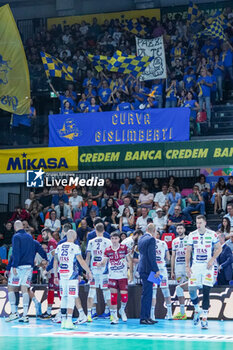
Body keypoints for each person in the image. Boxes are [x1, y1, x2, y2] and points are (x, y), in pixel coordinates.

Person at [6, 221, 47, 323]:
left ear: (15, 227)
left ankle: (14, 313)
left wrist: (13, 266)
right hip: (28, 267)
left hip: (19, 266)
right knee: (25, 288)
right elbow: (41, 250)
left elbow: (15, 252)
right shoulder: (31, 238)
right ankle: (25, 315)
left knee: (11, 287)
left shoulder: (16, 237)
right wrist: (46, 259)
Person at [185, 215, 222, 329]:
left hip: (207, 267)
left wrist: (212, 260)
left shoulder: (212, 234)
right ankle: (197, 309)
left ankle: (205, 318)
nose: (198, 225)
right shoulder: (192, 235)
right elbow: (188, 250)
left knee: (206, 291)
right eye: (197, 222)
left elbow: (219, 248)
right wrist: (187, 266)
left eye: (200, 222)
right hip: (195, 266)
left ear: (205, 223)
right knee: (191, 290)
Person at [53, 229, 92, 329]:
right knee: (71, 297)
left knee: (64, 297)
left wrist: (55, 275)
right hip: (72, 276)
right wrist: (88, 271)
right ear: (74, 237)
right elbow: (81, 261)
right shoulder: (75, 247)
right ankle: (69, 321)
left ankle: (63, 320)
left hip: (62, 275)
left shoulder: (59, 246)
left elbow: (55, 262)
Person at [101, 231, 130, 324]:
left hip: (123, 275)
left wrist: (130, 272)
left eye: (116, 238)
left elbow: (129, 260)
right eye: (112, 239)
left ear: (119, 239)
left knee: (124, 296)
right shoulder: (107, 250)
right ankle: (114, 317)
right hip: (112, 276)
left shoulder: (124, 248)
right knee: (113, 296)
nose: (114, 240)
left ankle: (122, 310)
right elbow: (104, 261)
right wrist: (99, 264)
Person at [85, 223, 111, 322]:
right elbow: (109, 256)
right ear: (104, 231)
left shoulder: (91, 242)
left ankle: (89, 313)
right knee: (106, 291)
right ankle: (110, 312)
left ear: (95, 231)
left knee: (92, 291)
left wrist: (87, 271)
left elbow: (88, 257)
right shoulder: (108, 241)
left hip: (94, 270)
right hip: (105, 270)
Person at [138, 223, 159, 325]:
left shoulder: (141, 238)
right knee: (148, 294)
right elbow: (152, 256)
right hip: (148, 270)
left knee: (147, 293)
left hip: (143, 268)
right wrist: (156, 269)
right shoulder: (151, 239)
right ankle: (144, 317)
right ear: (154, 231)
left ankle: (147, 316)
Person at [151, 231, 172, 321]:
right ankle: (170, 313)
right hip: (162, 269)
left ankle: (152, 314)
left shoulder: (149, 243)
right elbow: (168, 258)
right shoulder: (163, 243)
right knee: (166, 291)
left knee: (154, 292)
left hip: (154, 270)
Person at [171, 224, 188, 320]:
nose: (179, 230)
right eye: (178, 228)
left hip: (186, 268)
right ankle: (182, 312)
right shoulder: (174, 241)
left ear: (184, 229)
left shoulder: (188, 239)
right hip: (178, 268)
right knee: (179, 289)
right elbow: (173, 256)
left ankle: (196, 309)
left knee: (189, 289)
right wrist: (172, 271)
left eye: (181, 228)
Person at [39, 228, 58, 319]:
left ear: (48, 233)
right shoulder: (50, 243)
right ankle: (49, 312)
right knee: (51, 290)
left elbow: (56, 258)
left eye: (44, 234)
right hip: (52, 271)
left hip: (55, 271)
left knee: (58, 290)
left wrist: (48, 269)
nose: (43, 236)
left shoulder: (53, 243)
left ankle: (64, 311)